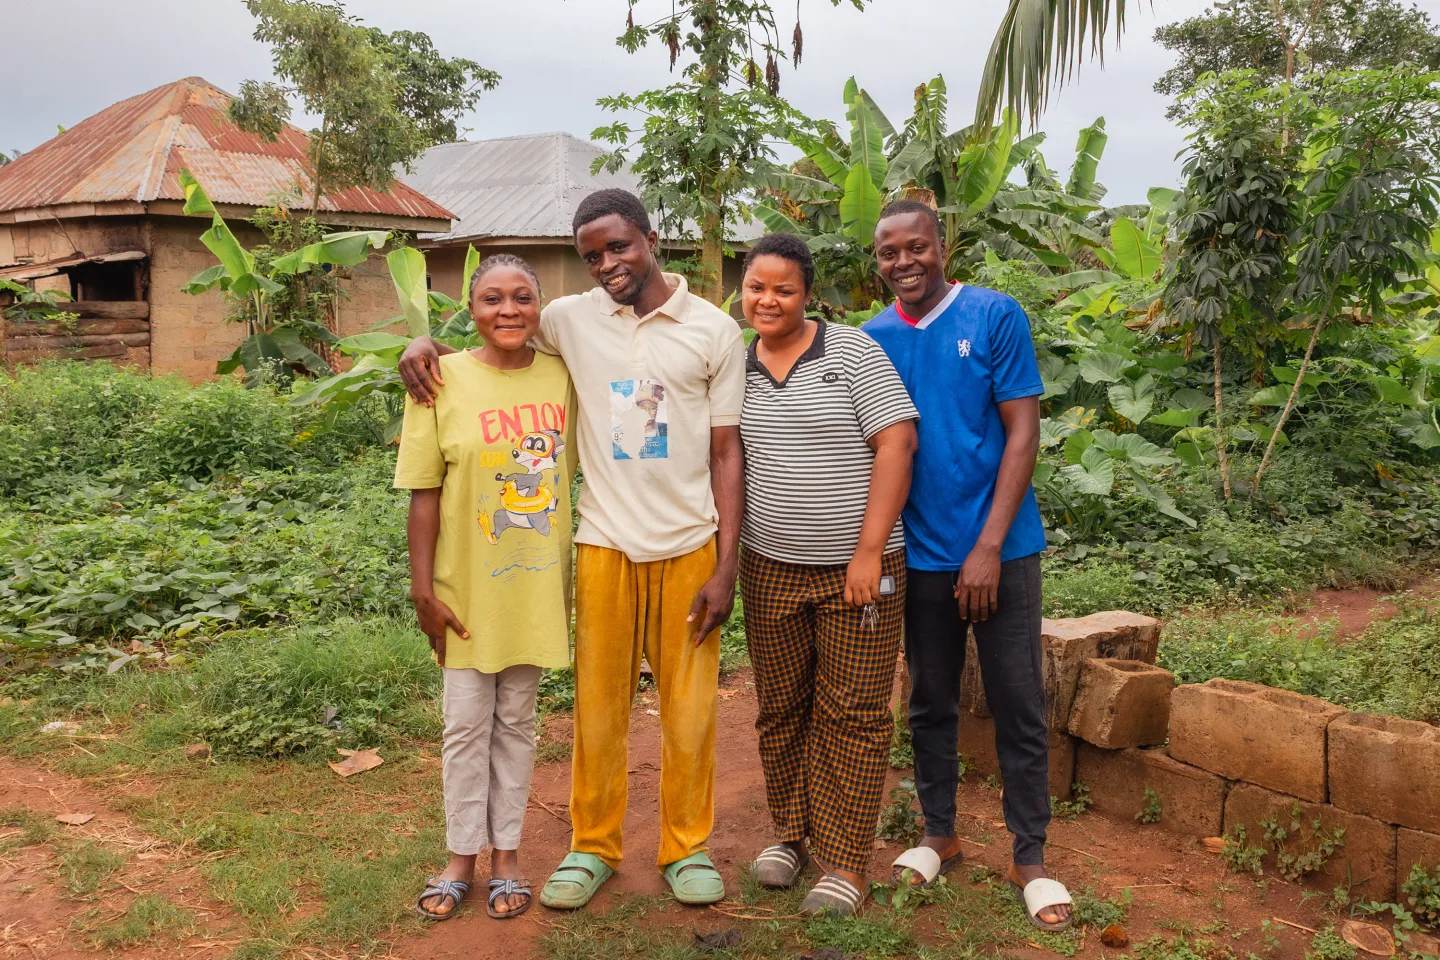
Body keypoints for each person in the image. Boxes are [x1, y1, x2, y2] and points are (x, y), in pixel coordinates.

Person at [397, 188, 745, 910]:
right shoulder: (567, 318)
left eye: (618, 247)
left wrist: (727, 562)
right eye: (591, 256)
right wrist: (423, 344)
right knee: (597, 711)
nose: (606, 264)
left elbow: (726, 452)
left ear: (651, 237)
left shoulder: (713, 331)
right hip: (602, 542)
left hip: (688, 544)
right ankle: (593, 846)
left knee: (689, 712)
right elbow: (495, 341)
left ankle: (687, 846)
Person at [862, 200, 1074, 931]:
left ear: (941, 245)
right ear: (878, 260)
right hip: (918, 557)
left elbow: (1023, 433)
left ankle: (1031, 856)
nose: (904, 262)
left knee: (1017, 700)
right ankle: (938, 833)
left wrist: (986, 546)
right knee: (929, 701)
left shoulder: (994, 315)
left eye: (916, 247)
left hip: (1001, 552)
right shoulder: (872, 337)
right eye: (889, 253)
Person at [737, 234, 918, 916]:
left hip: (859, 570)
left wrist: (868, 551)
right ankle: (790, 833)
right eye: (758, 287)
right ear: (743, 290)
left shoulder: (851, 352)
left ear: (807, 294)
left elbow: (897, 443)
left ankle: (846, 861)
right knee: (780, 706)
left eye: (784, 289)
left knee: (854, 712)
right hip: (769, 564)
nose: (769, 300)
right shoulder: (736, 364)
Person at [395, 254, 576, 921]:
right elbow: (423, 495)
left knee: (518, 724)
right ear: (469, 310)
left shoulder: (563, 377)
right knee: (465, 726)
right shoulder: (439, 383)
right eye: (492, 299)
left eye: (522, 298)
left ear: (539, 307)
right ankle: (459, 859)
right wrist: (423, 594)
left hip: (534, 589)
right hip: (463, 591)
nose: (508, 311)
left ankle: (508, 859)